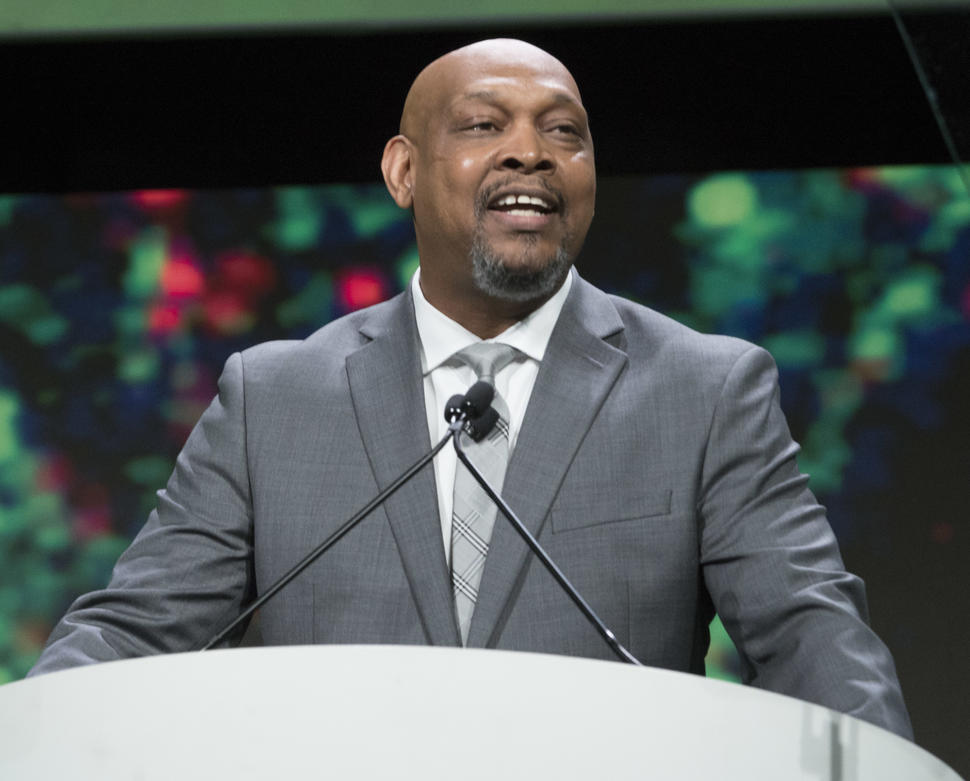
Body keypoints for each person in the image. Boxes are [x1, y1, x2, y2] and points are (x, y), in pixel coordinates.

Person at [30, 39, 911, 739]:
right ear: (403, 172)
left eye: (564, 133)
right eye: (485, 125)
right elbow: (134, 632)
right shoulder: (273, 399)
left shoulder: (706, 390)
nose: (531, 152)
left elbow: (811, 634)